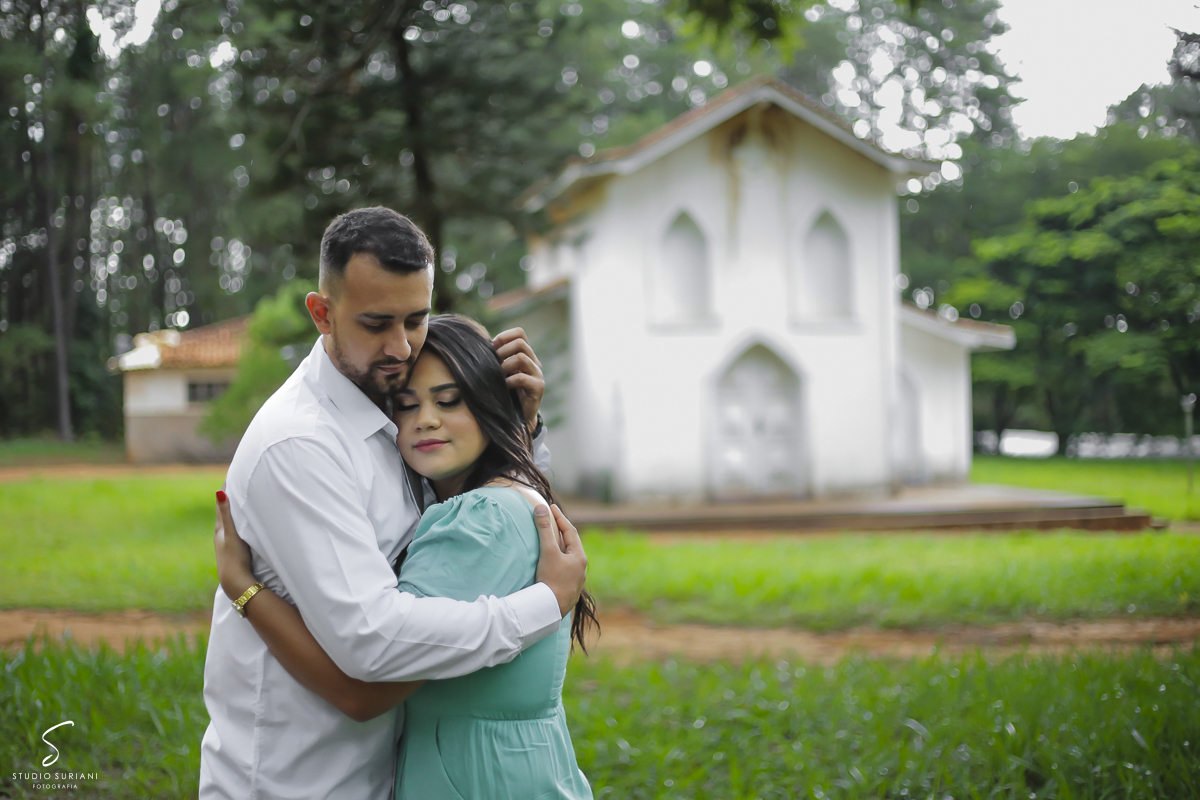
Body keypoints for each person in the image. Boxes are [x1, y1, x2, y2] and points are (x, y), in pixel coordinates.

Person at [199, 207, 588, 800]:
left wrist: (515, 430)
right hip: (297, 781)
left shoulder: (387, 402)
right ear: (322, 314)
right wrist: (543, 604)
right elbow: (373, 649)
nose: (401, 346)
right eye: (377, 323)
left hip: (381, 772)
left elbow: (463, 505)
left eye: (416, 318)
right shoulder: (302, 444)